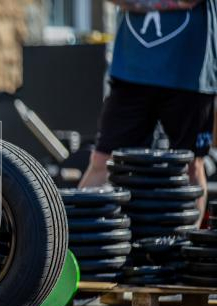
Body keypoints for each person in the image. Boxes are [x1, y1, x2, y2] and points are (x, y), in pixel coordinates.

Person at [79, 0, 216, 222]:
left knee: (191, 165)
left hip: (191, 72)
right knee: (102, 161)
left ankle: (188, 249)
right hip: (133, 69)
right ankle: (67, 246)